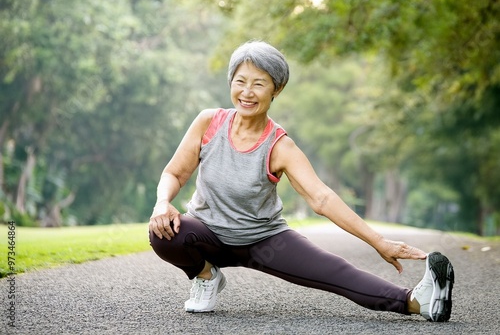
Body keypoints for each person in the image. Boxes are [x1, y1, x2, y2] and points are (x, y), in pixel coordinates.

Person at [149, 40, 454, 321]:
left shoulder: (280, 146)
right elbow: (174, 173)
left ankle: (418, 301)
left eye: (259, 84)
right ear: (231, 83)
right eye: (240, 82)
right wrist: (163, 203)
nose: (247, 92)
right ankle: (205, 276)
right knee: (164, 231)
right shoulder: (209, 122)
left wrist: (379, 241)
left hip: (263, 241)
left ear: (276, 89)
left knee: (338, 273)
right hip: (207, 236)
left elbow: (321, 198)